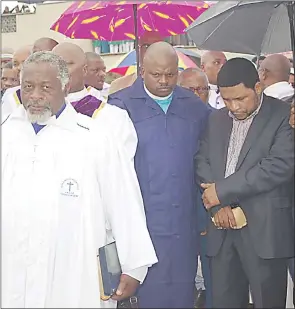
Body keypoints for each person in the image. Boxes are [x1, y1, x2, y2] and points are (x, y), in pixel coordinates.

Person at [1, 51, 158, 308]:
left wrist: (134, 265)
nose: (35, 96)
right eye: (28, 87)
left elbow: (124, 202)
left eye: (45, 87)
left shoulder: (94, 138)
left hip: (73, 269)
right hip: (13, 266)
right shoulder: (7, 135)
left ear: (65, 86)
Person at [108, 41, 211, 308]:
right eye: (156, 74)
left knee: (182, 292)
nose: (164, 81)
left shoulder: (193, 106)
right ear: (142, 70)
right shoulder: (120, 107)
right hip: (141, 220)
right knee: (147, 294)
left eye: (170, 74)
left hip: (183, 220)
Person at [195, 58, 294, 308]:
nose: (234, 106)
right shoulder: (216, 120)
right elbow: (202, 161)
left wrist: (222, 191)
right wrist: (218, 205)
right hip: (222, 228)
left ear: (258, 87)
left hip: (264, 230)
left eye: (240, 98)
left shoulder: (284, 116)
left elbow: (277, 166)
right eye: (227, 100)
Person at [52, 42, 138, 159]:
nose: (60, 71)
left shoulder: (113, 117)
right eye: (54, 65)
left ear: (84, 70)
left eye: (67, 64)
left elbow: (121, 165)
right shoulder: (38, 113)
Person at [178, 67, 212, 309]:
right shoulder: (171, 120)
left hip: (209, 209)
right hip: (177, 211)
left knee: (214, 277)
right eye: (193, 89)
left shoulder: (218, 118)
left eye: (204, 89)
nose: (199, 94)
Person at [108, 31, 163, 95]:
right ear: (137, 50)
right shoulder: (118, 86)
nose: (152, 50)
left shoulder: (176, 82)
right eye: (146, 46)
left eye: (157, 46)